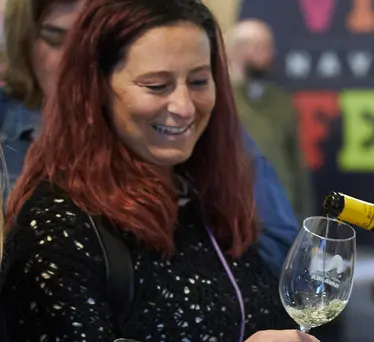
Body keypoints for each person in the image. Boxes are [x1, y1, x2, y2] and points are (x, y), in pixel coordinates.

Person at [0, 0, 322, 342]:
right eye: (156, 85)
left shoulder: (208, 194)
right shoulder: (58, 225)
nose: (184, 106)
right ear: (95, 88)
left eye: (199, 81)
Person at [0, 0, 297, 279]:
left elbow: (280, 259)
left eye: (198, 81)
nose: (183, 108)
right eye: (57, 38)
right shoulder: (50, 206)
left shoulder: (212, 139)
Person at [226, 19, 315, 221]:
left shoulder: (281, 102)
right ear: (238, 50)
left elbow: (296, 164)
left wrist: (305, 216)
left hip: (283, 211)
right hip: (239, 212)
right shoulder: (220, 100)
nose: (270, 54)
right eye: (262, 47)